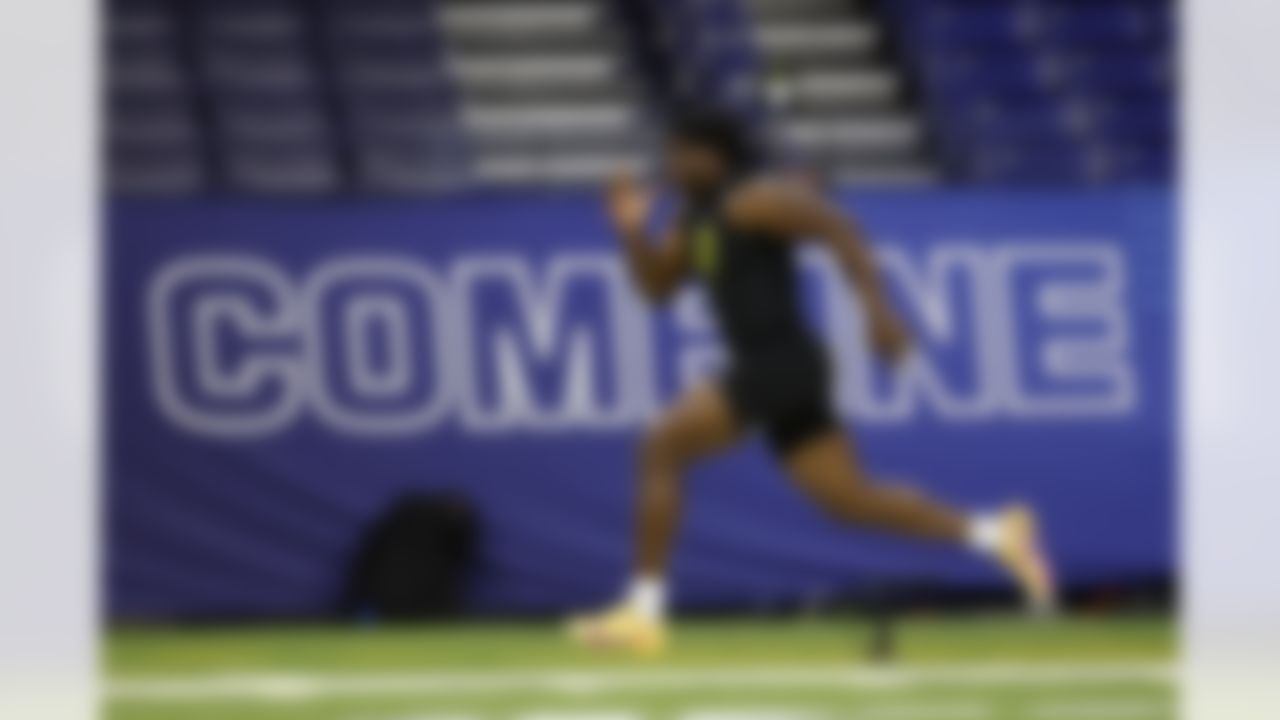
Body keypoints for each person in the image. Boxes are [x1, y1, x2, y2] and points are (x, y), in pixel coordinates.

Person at [570, 109, 1055, 656]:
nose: (671, 163)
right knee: (848, 500)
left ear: (713, 156)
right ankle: (996, 534)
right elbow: (655, 290)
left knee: (661, 445)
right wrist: (631, 229)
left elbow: (838, 227)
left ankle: (643, 612)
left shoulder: (753, 200)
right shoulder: (693, 218)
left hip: (779, 364)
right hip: (783, 371)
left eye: (682, 152)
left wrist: (877, 311)